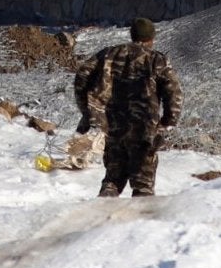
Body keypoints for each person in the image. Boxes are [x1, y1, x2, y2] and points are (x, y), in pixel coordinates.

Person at [74, 17, 180, 198]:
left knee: (112, 180)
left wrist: (88, 110)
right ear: (151, 38)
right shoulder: (156, 60)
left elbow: (82, 75)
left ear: (132, 35)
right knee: (143, 186)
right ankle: (140, 224)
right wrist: (167, 122)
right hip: (144, 129)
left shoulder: (108, 54)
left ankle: (101, 220)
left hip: (112, 127)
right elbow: (174, 93)